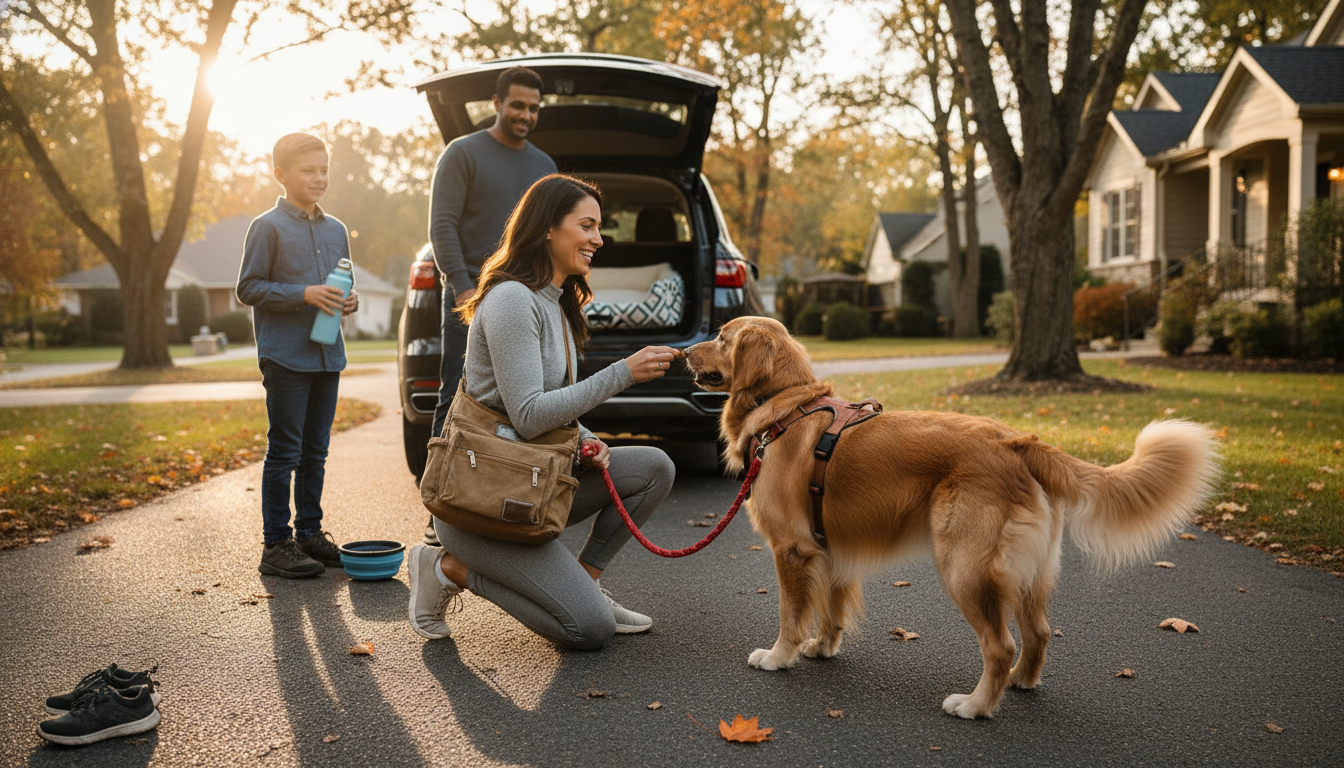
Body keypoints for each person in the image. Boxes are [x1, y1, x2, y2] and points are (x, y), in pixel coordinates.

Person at [407, 174, 680, 649]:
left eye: (599, 227)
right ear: (548, 229)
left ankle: (585, 584)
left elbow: (539, 405)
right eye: (587, 225)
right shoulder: (513, 299)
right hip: (480, 502)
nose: (599, 238)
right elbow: (530, 415)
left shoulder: (557, 303)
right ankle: (447, 567)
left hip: (528, 483)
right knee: (589, 630)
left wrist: (583, 437)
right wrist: (624, 373)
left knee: (653, 467)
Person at [425, 65, 558, 545]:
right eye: (518, 105)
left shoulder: (544, 165)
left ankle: (509, 501)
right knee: (458, 396)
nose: (526, 114)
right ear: (497, 103)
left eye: (534, 108)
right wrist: (462, 288)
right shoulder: (462, 154)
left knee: (527, 400)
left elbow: (550, 236)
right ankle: (439, 507)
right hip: (471, 299)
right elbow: (442, 226)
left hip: (528, 303)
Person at [237, 132, 359, 579]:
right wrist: (303, 294)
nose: (319, 177)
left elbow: (341, 286)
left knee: (316, 452)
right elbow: (248, 288)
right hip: (286, 357)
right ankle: (276, 545)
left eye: (324, 169)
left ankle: (309, 533)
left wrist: (349, 302)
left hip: (328, 356)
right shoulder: (267, 226)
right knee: (285, 452)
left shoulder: (336, 230)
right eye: (308, 170)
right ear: (281, 175)